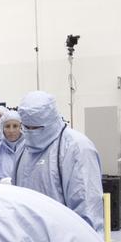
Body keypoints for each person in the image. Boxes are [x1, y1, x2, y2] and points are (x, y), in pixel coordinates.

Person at [12, 91, 105, 233]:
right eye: (26, 127)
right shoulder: (22, 149)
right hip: (30, 241)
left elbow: (87, 209)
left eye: (37, 128)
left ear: (52, 120)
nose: (31, 132)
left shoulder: (76, 149)